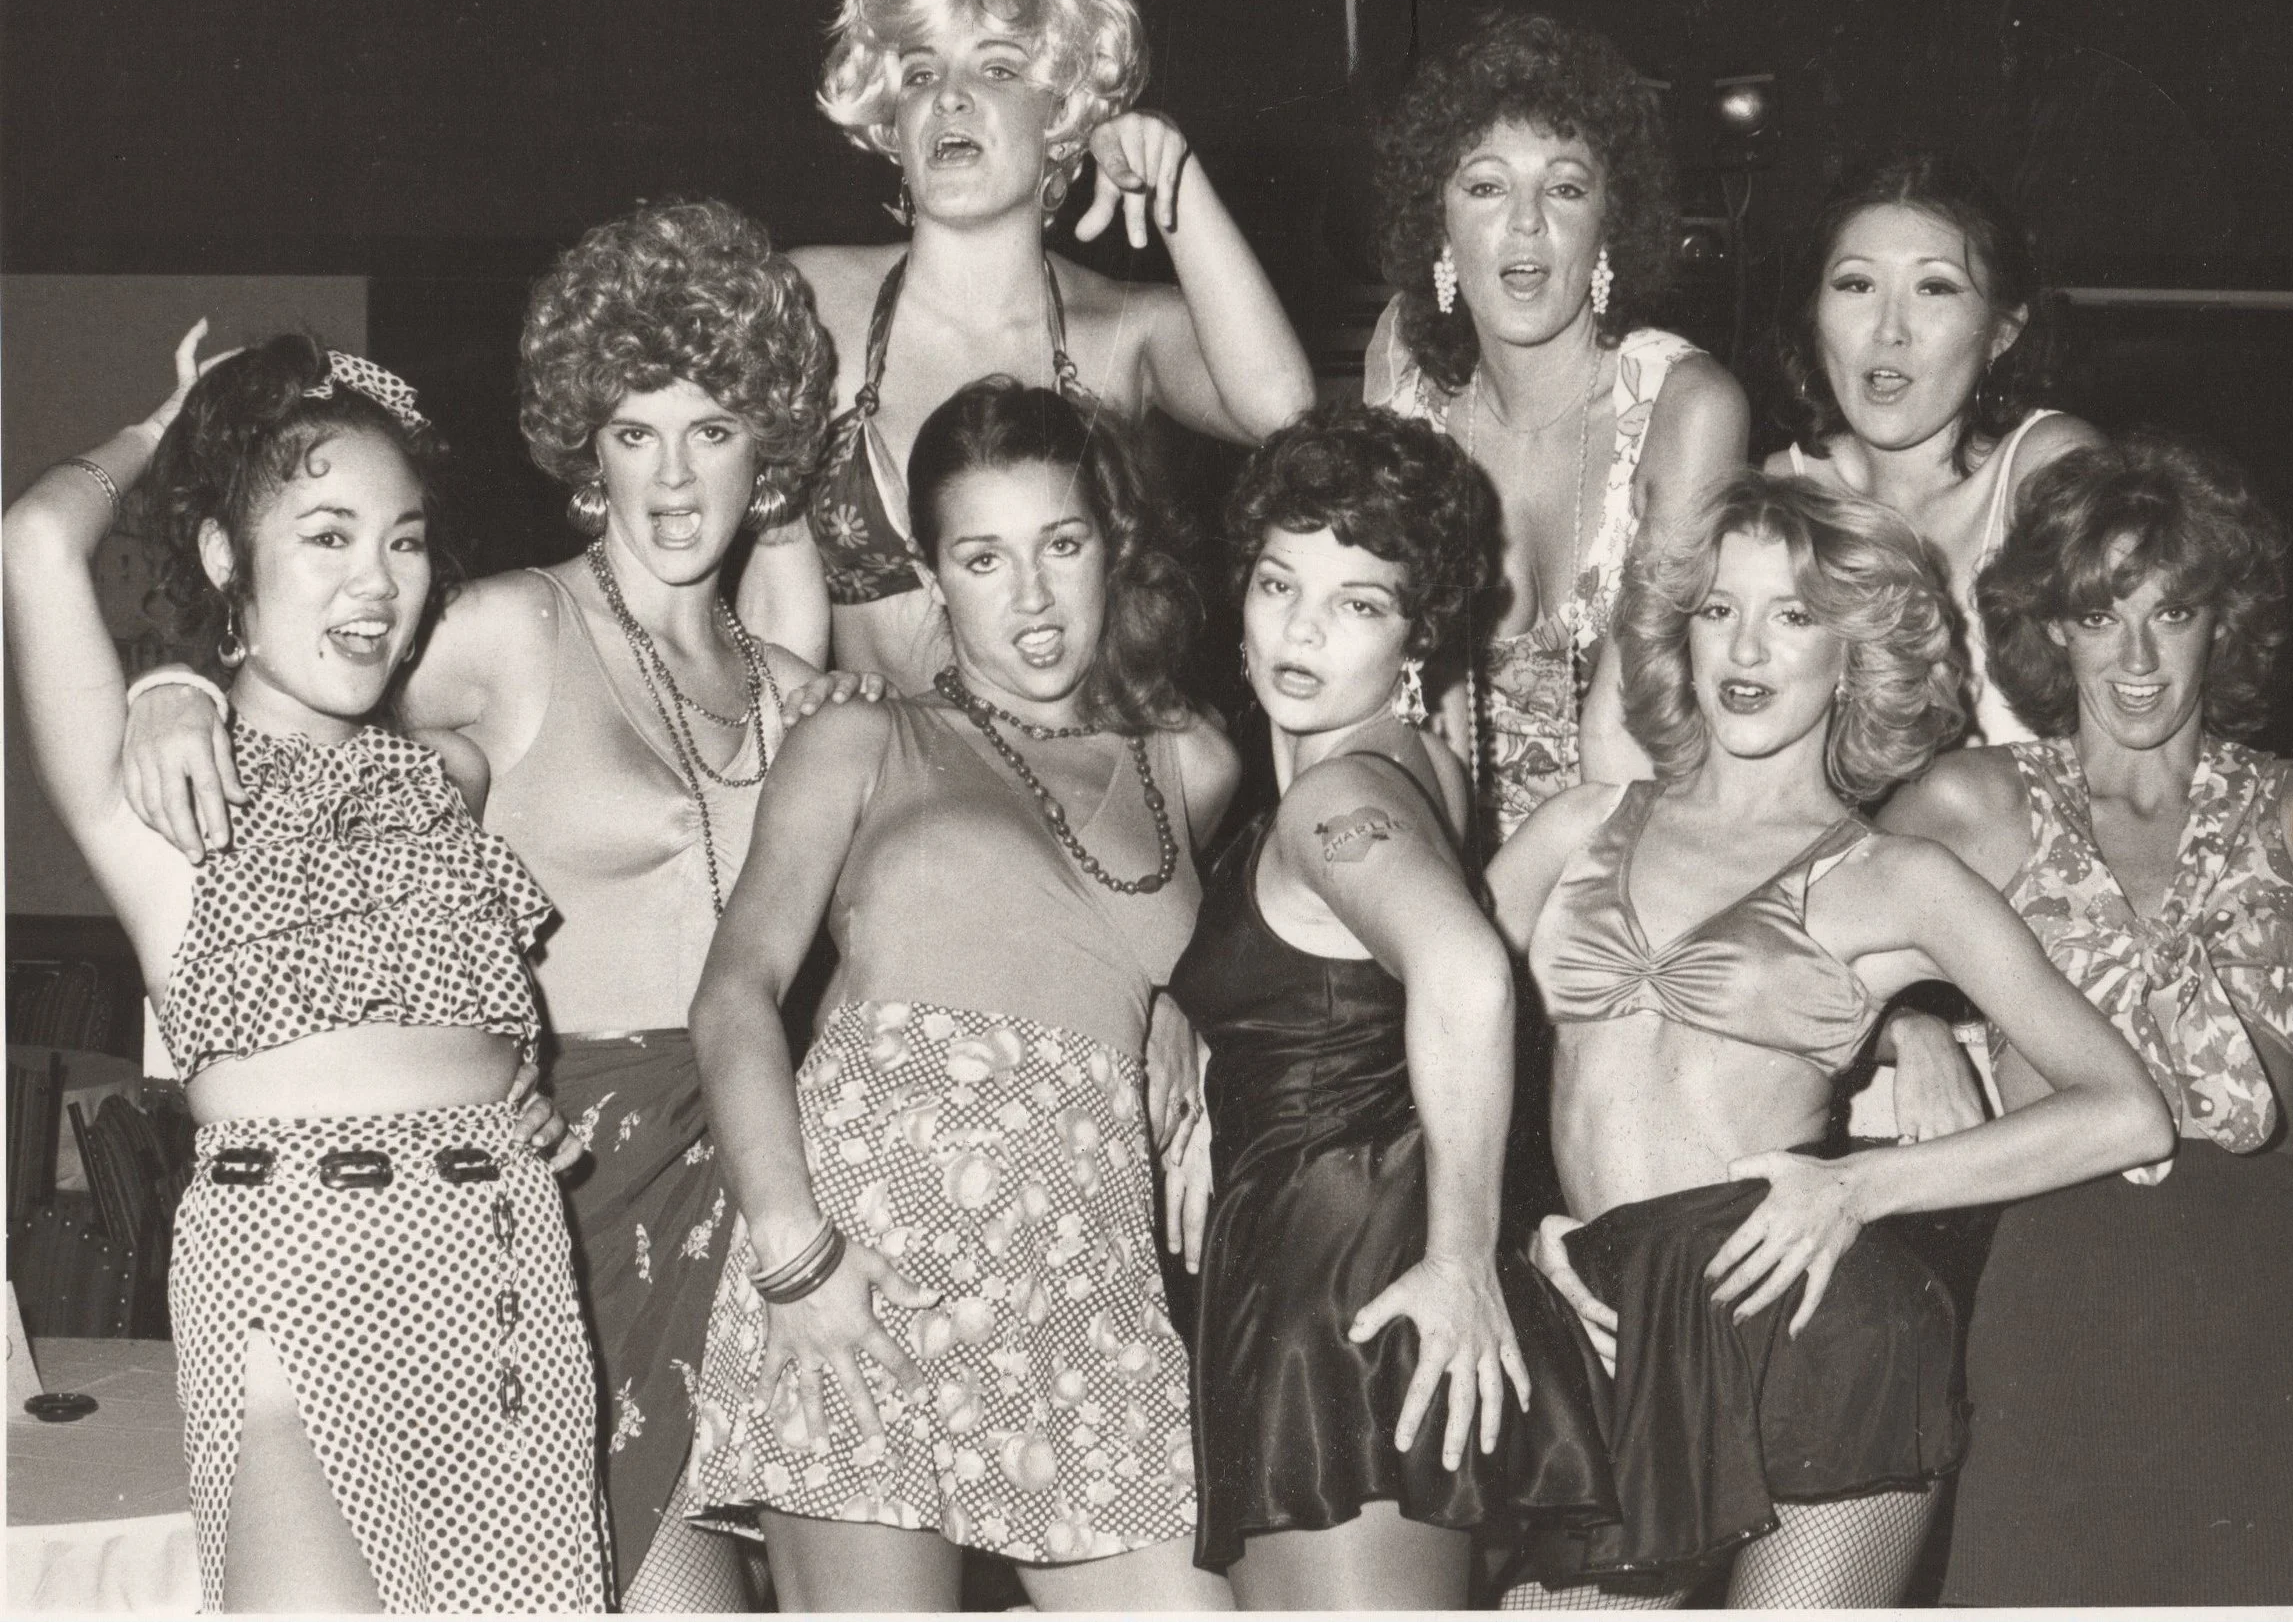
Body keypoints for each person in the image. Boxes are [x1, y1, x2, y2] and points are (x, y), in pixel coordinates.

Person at [113, 201, 837, 1609]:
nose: (676, 477)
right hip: (566, 1196)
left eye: (711, 427)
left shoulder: (792, 678)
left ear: (770, 447)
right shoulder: (513, 627)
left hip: (748, 1193)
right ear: (584, 450)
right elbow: (318, 696)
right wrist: (172, 683)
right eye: (634, 432)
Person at [1488, 470, 2172, 1607]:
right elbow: (1408, 1029)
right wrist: (1516, 1236)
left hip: (1809, 1327)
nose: (1746, 646)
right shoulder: (1579, 825)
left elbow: (2123, 1108)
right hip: (1614, 1319)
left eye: (1793, 616)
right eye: (1718, 608)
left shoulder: (1896, 878)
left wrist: (1860, 1190)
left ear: (1854, 652)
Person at [4, 328, 605, 1611]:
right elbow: (34, 543)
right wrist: (170, 432)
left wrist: (518, 1094)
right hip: (292, 1261)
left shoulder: (451, 774)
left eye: (402, 538)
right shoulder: (164, 795)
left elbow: (487, 1027)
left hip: (501, 1264)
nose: (378, 579)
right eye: (326, 534)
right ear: (229, 558)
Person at [1878, 432, 2293, 1604]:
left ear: (2226, 621)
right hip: (2060, 1298)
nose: (2138, 657)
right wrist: (1904, 1028)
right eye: (2100, 616)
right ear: (2052, 626)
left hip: (2277, 1303)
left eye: (2173, 611)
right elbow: (1803, 955)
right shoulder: (1973, 804)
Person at [684, 379, 1240, 1610]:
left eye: (1062, 544)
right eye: (982, 558)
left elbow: (1173, 943)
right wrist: (795, 1254)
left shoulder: (1189, 763)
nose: (1031, 598)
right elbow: (735, 994)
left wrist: (1180, 1004)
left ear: (1113, 543)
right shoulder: (864, 738)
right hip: (864, 1264)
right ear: (933, 578)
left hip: (1085, 1273)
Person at [1164, 404, 1605, 1608]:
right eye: (1277, 584)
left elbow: (1465, 974)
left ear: (1415, 635)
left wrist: (1460, 1258)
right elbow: (1354, 999)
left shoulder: (1332, 799)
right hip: (1344, 1245)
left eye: (1358, 603)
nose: (1300, 631)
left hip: (1340, 1282)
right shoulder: (1422, 770)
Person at [736, 0, 1312, 682]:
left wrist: (1174, 175)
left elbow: (1284, 411)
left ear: (1063, 116)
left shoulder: (1125, 328)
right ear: (894, 128)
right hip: (889, 783)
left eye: (998, 70)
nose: (950, 98)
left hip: (1083, 778)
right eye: (918, 75)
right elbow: (765, 604)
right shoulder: (806, 301)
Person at [1367, 10, 1748, 839]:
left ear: (1610, 224)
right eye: (1486, 185)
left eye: (1566, 187)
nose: (1528, 221)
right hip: (1443, 862)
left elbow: (1630, 748)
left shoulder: (1688, 409)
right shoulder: (1404, 415)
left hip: (1639, 852)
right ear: (1438, 223)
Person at [1764, 149, 2098, 746]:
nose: (1889, 329)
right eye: (1857, 284)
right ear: (1814, 313)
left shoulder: (2047, 470)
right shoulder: (1780, 490)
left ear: (2001, 331)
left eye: (1934, 288)